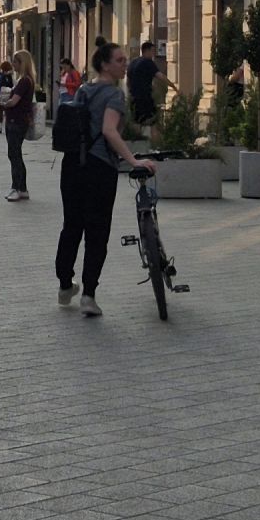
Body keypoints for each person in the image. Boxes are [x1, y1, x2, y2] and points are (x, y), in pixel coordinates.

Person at [56, 38, 157, 317]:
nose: (125, 65)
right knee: (97, 232)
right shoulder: (114, 94)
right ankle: (88, 295)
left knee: (72, 226)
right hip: (100, 168)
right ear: (105, 65)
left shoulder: (83, 91)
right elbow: (110, 131)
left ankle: (65, 285)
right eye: (120, 60)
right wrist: (134, 159)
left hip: (73, 165)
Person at [1, 51, 37, 201]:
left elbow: (14, 101)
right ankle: (22, 189)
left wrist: (3, 103)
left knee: (14, 155)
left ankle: (16, 188)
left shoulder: (24, 81)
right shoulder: (27, 80)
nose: (13, 65)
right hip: (19, 121)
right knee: (16, 155)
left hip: (16, 122)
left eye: (15, 62)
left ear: (22, 63)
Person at [126, 42, 160, 125]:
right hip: (145, 98)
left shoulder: (133, 62)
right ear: (147, 51)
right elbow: (160, 76)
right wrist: (174, 87)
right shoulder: (148, 62)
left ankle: (138, 136)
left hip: (133, 97)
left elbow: (127, 81)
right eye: (152, 51)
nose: (153, 54)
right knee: (153, 122)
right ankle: (150, 137)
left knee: (137, 121)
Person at [0, 60, 15, 132]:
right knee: (6, 111)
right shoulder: (10, 76)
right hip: (7, 95)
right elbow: (13, 85)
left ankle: (0, 127)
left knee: (0, 111)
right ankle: (6, 126)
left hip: (0, 95)